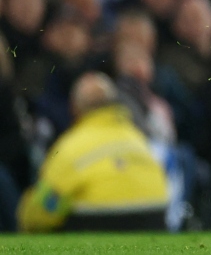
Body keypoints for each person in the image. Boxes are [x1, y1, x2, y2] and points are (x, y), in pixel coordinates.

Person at [17, 72, 168, 232]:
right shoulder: (138, 139)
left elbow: (43, 209)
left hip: (93, 226)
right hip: (153, 220)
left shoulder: (71, 146)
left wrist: (25, 217)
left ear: (74, 108)